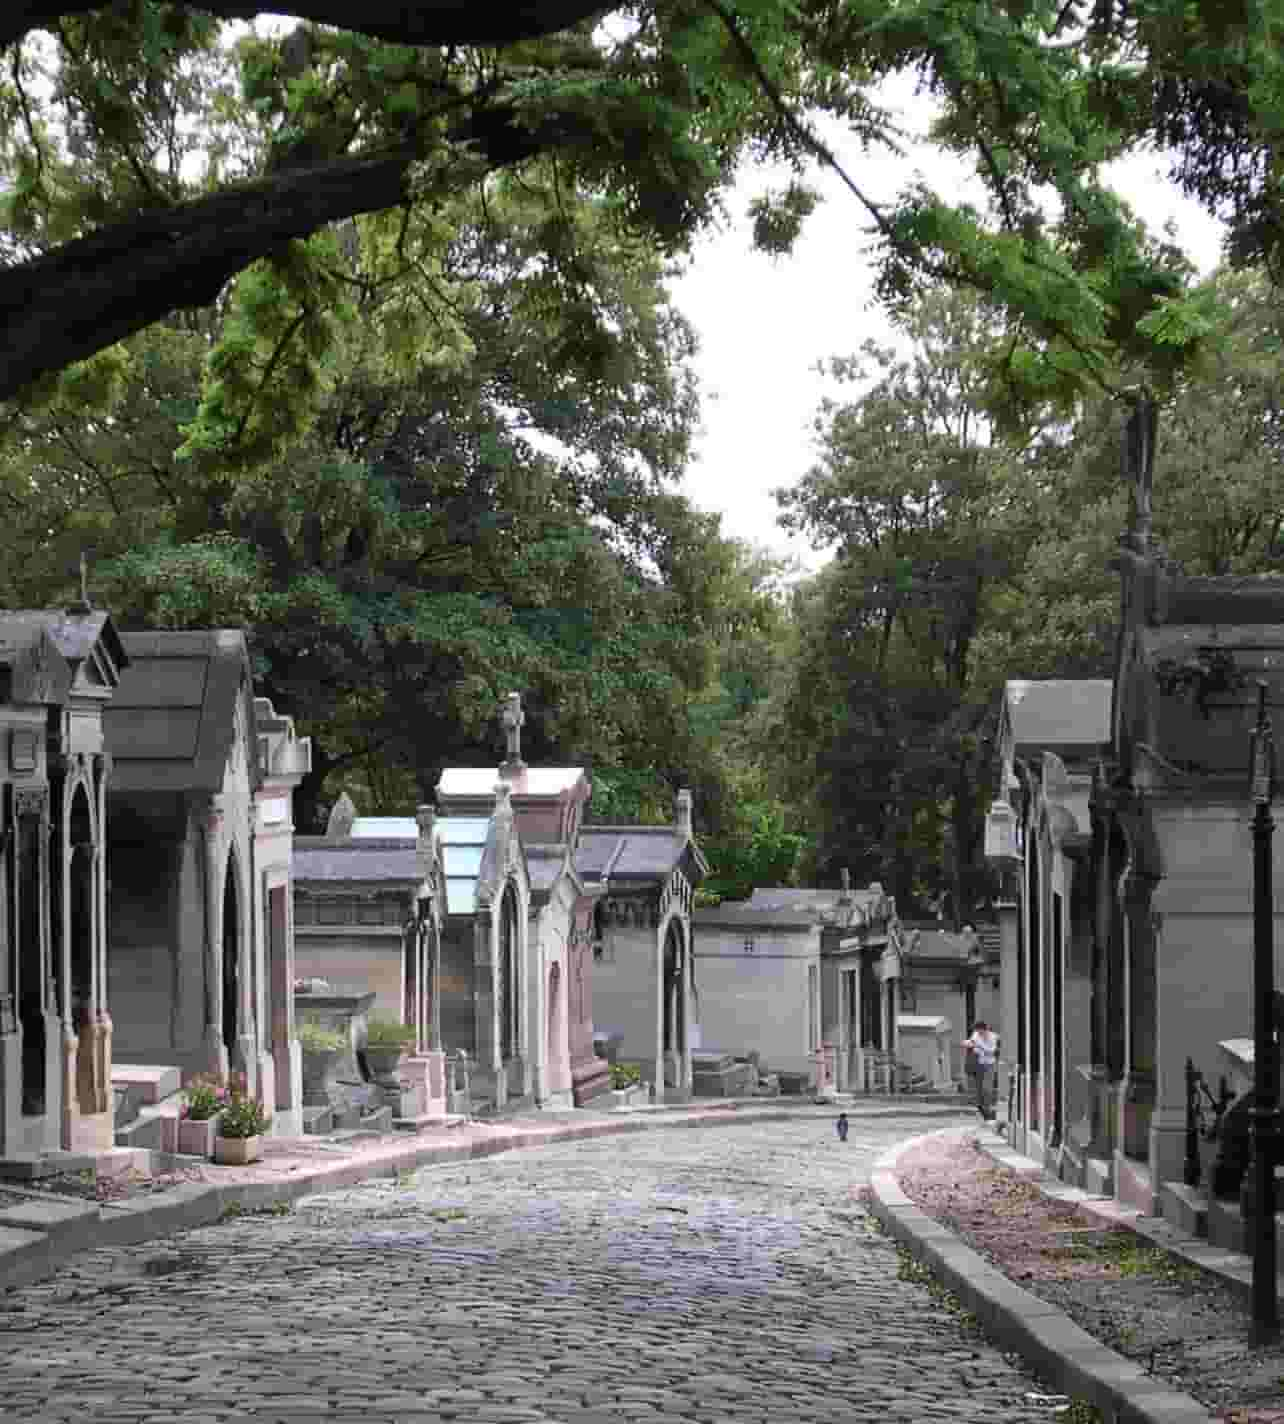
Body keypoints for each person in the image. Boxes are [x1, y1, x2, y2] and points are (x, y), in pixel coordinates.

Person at [962, 1021, 998, 1119]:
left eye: (980, 1031)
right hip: (978, 1064)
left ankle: (987, 1108)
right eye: (977, 1031)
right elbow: (971, 1042)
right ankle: (981, 1108)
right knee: (978, 1088)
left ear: (984, 1029)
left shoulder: (993, 1037)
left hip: (989, 1064)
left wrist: (979, 1046)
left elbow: (991, 1051)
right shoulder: (976, 1035)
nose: (978, 1033)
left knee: (987, 1088)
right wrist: (967, 1043)